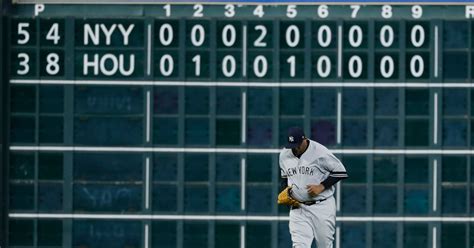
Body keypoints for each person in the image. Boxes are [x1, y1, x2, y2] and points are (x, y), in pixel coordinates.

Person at [277, 126, 348, 248]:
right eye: (292, 145)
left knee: (324, 245)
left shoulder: (320, 152)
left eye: (298, 144)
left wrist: (322, 186)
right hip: (298, 207)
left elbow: (341, 171)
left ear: (304, 139)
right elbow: (285, 178)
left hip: (322, 206)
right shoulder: (284, 155)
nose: (295, 148)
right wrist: (285, 191)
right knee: (299, 245)